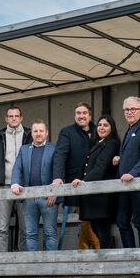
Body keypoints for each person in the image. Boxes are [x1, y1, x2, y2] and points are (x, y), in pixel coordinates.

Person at [0, 106, 30, 252]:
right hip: (5, 185)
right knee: (2, 227)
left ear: (21, 118)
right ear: (6, 119)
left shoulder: (28, 134)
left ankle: (23, 258)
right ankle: (0, 260)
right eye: (11, 116)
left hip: (24, 185)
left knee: (25, 227)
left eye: (16, 116)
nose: (13, 118)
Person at [52, 102, 96, 249]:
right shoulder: (67, 132)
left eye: (84, 113)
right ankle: (96, 248)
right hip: (75, 183)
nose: (81, 116)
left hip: (96, 182)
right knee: (86, 217)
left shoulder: (99, 130)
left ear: (90, 115)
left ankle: (83, 251)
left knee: (91, 218)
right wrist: (58, 177)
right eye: (78, 113)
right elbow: (60, 155)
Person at [114, 96, 140, 248]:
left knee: (139, 221)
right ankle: (130, 256)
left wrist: (133, 173)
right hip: (125, 186)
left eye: (133, 109)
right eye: (127, 109)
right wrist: (121, 158)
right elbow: (134, 153)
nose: (129, 112)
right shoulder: (129, 130)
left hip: (138, 184)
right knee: (122, 221)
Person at [73, 116, 120, 249]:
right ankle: (105, 258)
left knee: (103, 228)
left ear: (112, 128)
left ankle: (107, 260)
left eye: (106, 125)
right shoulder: (98, 143)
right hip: (93, 195)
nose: (101, 128)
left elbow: (101, 167)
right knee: (95, 226)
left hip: (102, 196)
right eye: (99, 125)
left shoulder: (111, 143)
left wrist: (83, 181)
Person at [10, 120, 58, 251]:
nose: (38, 134)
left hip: (48, 198)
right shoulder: (24, 150)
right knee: (30, 234)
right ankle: (33, 269)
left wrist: (55, 192)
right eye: (35, 131)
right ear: (31, 133)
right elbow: (17, 168)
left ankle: (52, 267)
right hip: (29, 198)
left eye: (41, 131)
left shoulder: (54, 149)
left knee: (50, 234)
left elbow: (59, 171)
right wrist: (14, 182)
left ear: (46, 133)